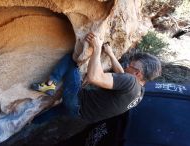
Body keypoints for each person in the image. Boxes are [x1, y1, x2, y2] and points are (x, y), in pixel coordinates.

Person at [31, 32, 162, 123]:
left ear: (137, 73)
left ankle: (50, 84)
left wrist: (97, 49)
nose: (126, 66)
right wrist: (111, 55)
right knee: (58, 111)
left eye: (130, 65)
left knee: (72, 61)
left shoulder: (130, 81)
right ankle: (32, 122)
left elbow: (94, 77)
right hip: (81, 114)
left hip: (77, 102)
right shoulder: (140, 91)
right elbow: (123, 75)